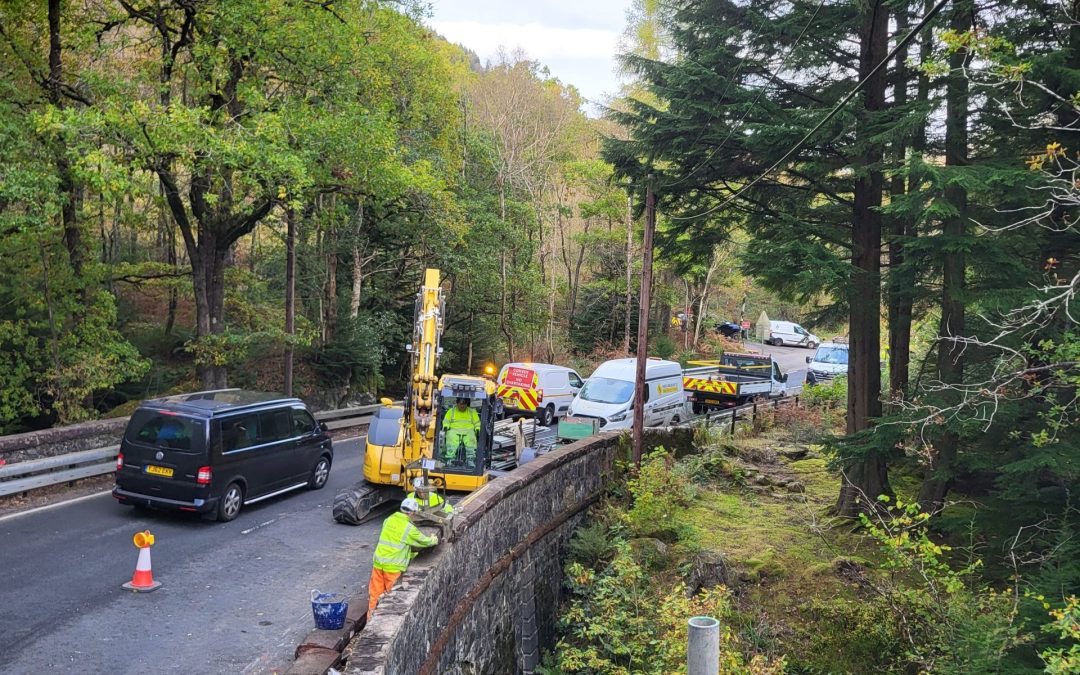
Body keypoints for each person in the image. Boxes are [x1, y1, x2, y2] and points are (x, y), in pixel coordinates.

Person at [367, 497, 438, 618]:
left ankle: (370, 619)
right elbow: (424, 541)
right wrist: (433, 539)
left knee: (375, 595)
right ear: (412, 512)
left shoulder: (388, 520)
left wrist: (409, 554)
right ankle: (386, 618)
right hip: (393, 567)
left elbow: (395, 541)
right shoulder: (408, 528)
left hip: (378, 562)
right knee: (392, 596)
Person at [442, 397, 480, 465]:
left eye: (464, 404)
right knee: (451, 439)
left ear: (466, 404)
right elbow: (446, 421)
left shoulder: (472, 412)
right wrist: (446, 426)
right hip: (454, 429)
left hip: (468, 430)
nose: (462, 406)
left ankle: (470, 460)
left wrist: (477, 429)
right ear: (457, 403)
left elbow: (477, 423)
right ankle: (450, 459)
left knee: (471, 440)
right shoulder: (451, 411)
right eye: (460, 404)